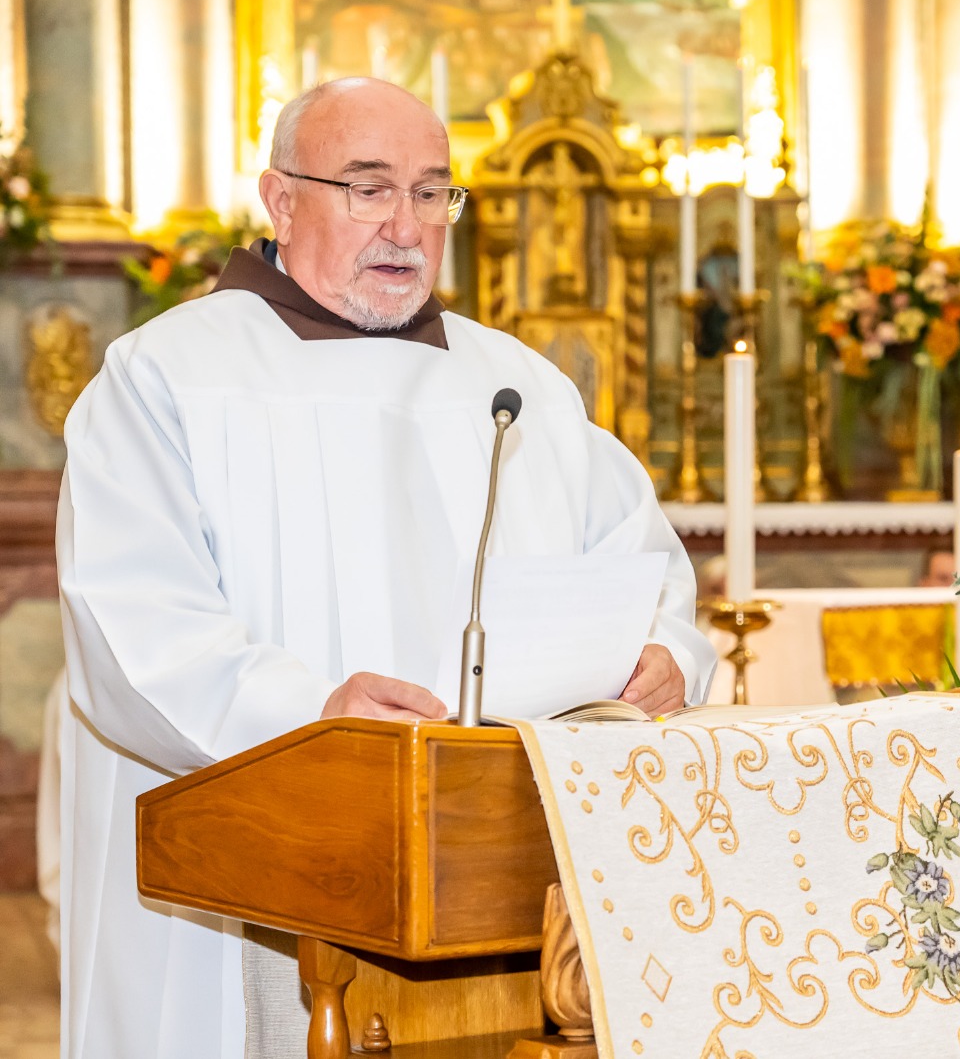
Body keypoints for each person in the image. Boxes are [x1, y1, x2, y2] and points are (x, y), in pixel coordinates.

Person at [55, 77, 714, 1059]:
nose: (405, 225)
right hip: (248, 867)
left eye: (431, 192)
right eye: (368, 189)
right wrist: (313, 714)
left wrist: (666, 654)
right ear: (281, 201)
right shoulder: (168, 375)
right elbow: (133, 622)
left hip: (494, 872)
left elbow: (640, 566)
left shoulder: (521, 384)